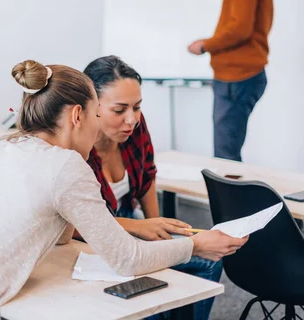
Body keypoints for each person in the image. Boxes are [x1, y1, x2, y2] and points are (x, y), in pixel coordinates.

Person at [0, 60, 247, 319]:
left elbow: (58, 240)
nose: (98, 127)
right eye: (97, 116)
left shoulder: (6, 148)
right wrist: (197, 245)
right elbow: (126, 259)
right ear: (77, 116)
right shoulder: (66, 166)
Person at [83, 55, 222, 320]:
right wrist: (141, 229)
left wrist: (156, 225)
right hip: (95, 240)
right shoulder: (74, 146)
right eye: (120, 109)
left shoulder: (133, 125)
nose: (131, 119)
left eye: (137, 107)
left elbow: (147, 176)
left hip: (127, 221)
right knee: (152, 302)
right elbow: (78, 225)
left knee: (209, 259)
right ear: (91, 105)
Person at [188, 0, 273, 162]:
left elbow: (240, 28)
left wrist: (206, 45)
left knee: (225, 158)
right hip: (241, 76)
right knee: (227, 154)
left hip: (237, 77)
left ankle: (230, 202)